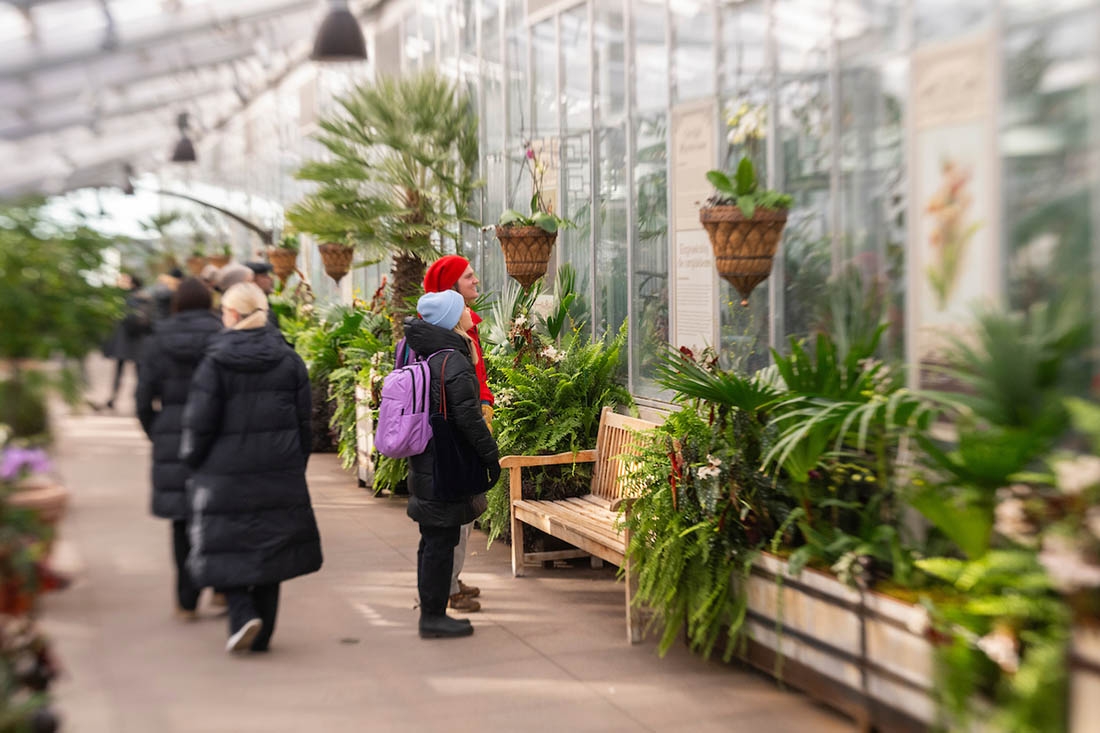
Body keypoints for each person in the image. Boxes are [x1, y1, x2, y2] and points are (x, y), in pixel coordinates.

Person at [180, 282, 322, 653]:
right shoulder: (288, 359)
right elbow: (304, 422)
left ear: (231, 315)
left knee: (228, 542)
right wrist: (295, 464)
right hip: (278, 468)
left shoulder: (215, 360)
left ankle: (242, 614)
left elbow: (200, 421)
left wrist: (192, 460)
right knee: (271, 547)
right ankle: (263, 636)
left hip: (224, 470)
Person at [404, 290, 500, 639]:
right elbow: (469, 420)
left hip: (427, 462)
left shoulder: (425, 352)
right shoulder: (453, 360)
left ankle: (432, 611)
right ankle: (433, 617)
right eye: (463, 310)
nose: (469, 314)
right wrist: (490, 456)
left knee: (431, 541)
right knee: (440, 543)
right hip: (446, 467)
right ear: (450, 319)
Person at [134, 277, 222, 621]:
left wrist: (157, 432)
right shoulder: (221, 334)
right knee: (217, 514)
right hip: (215, 433)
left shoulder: (158, 338)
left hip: (171, 431)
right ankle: (222, 591)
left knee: (181, 522)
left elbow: (143, 398)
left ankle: (186, 602)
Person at [422, 255, 493, 613]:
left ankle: (450, 579)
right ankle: (446, 588)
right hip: (456, 438)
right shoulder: (449, 343)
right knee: (455, 516)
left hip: (464, 432)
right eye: (468, 277)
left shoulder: (460, 330)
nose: (476, 280)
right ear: (451, 288)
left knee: (459, 517)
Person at [102, 273, 154, 410]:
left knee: (121, 372)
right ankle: (139, 400)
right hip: (139, 340)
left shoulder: (127, 298)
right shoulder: (146, 298)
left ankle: (114, 398)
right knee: (138, 373)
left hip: (126, 340)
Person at [245, 261, 281, 331]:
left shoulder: (262, 303)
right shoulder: (252, 309)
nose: (270, 279)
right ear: (252, 280)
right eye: (264, 276)